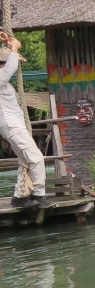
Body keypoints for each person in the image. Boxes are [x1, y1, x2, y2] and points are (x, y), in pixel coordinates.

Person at [0, 32, 49, 208]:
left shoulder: (3, 83)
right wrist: (13, 49)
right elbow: (7, 71)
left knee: (25, 159)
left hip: (12, 125)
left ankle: (19, 196)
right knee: (36, 158)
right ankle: (39, 195)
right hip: (12, 125)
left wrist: (7, 43)